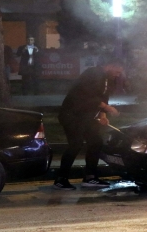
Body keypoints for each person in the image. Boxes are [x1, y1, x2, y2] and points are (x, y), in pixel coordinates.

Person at [53, 60, 125, 190]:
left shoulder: (109, 79)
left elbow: (104, 97)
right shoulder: (93, 73)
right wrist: (107, 108)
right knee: (76, 144)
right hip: (72, 115)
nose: (118, 75)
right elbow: (87, 96)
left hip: (87, 117)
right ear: (109, 65)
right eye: (117, 71)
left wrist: (103, 115)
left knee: (96, 142)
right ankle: (60, 179)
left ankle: (90, 177)